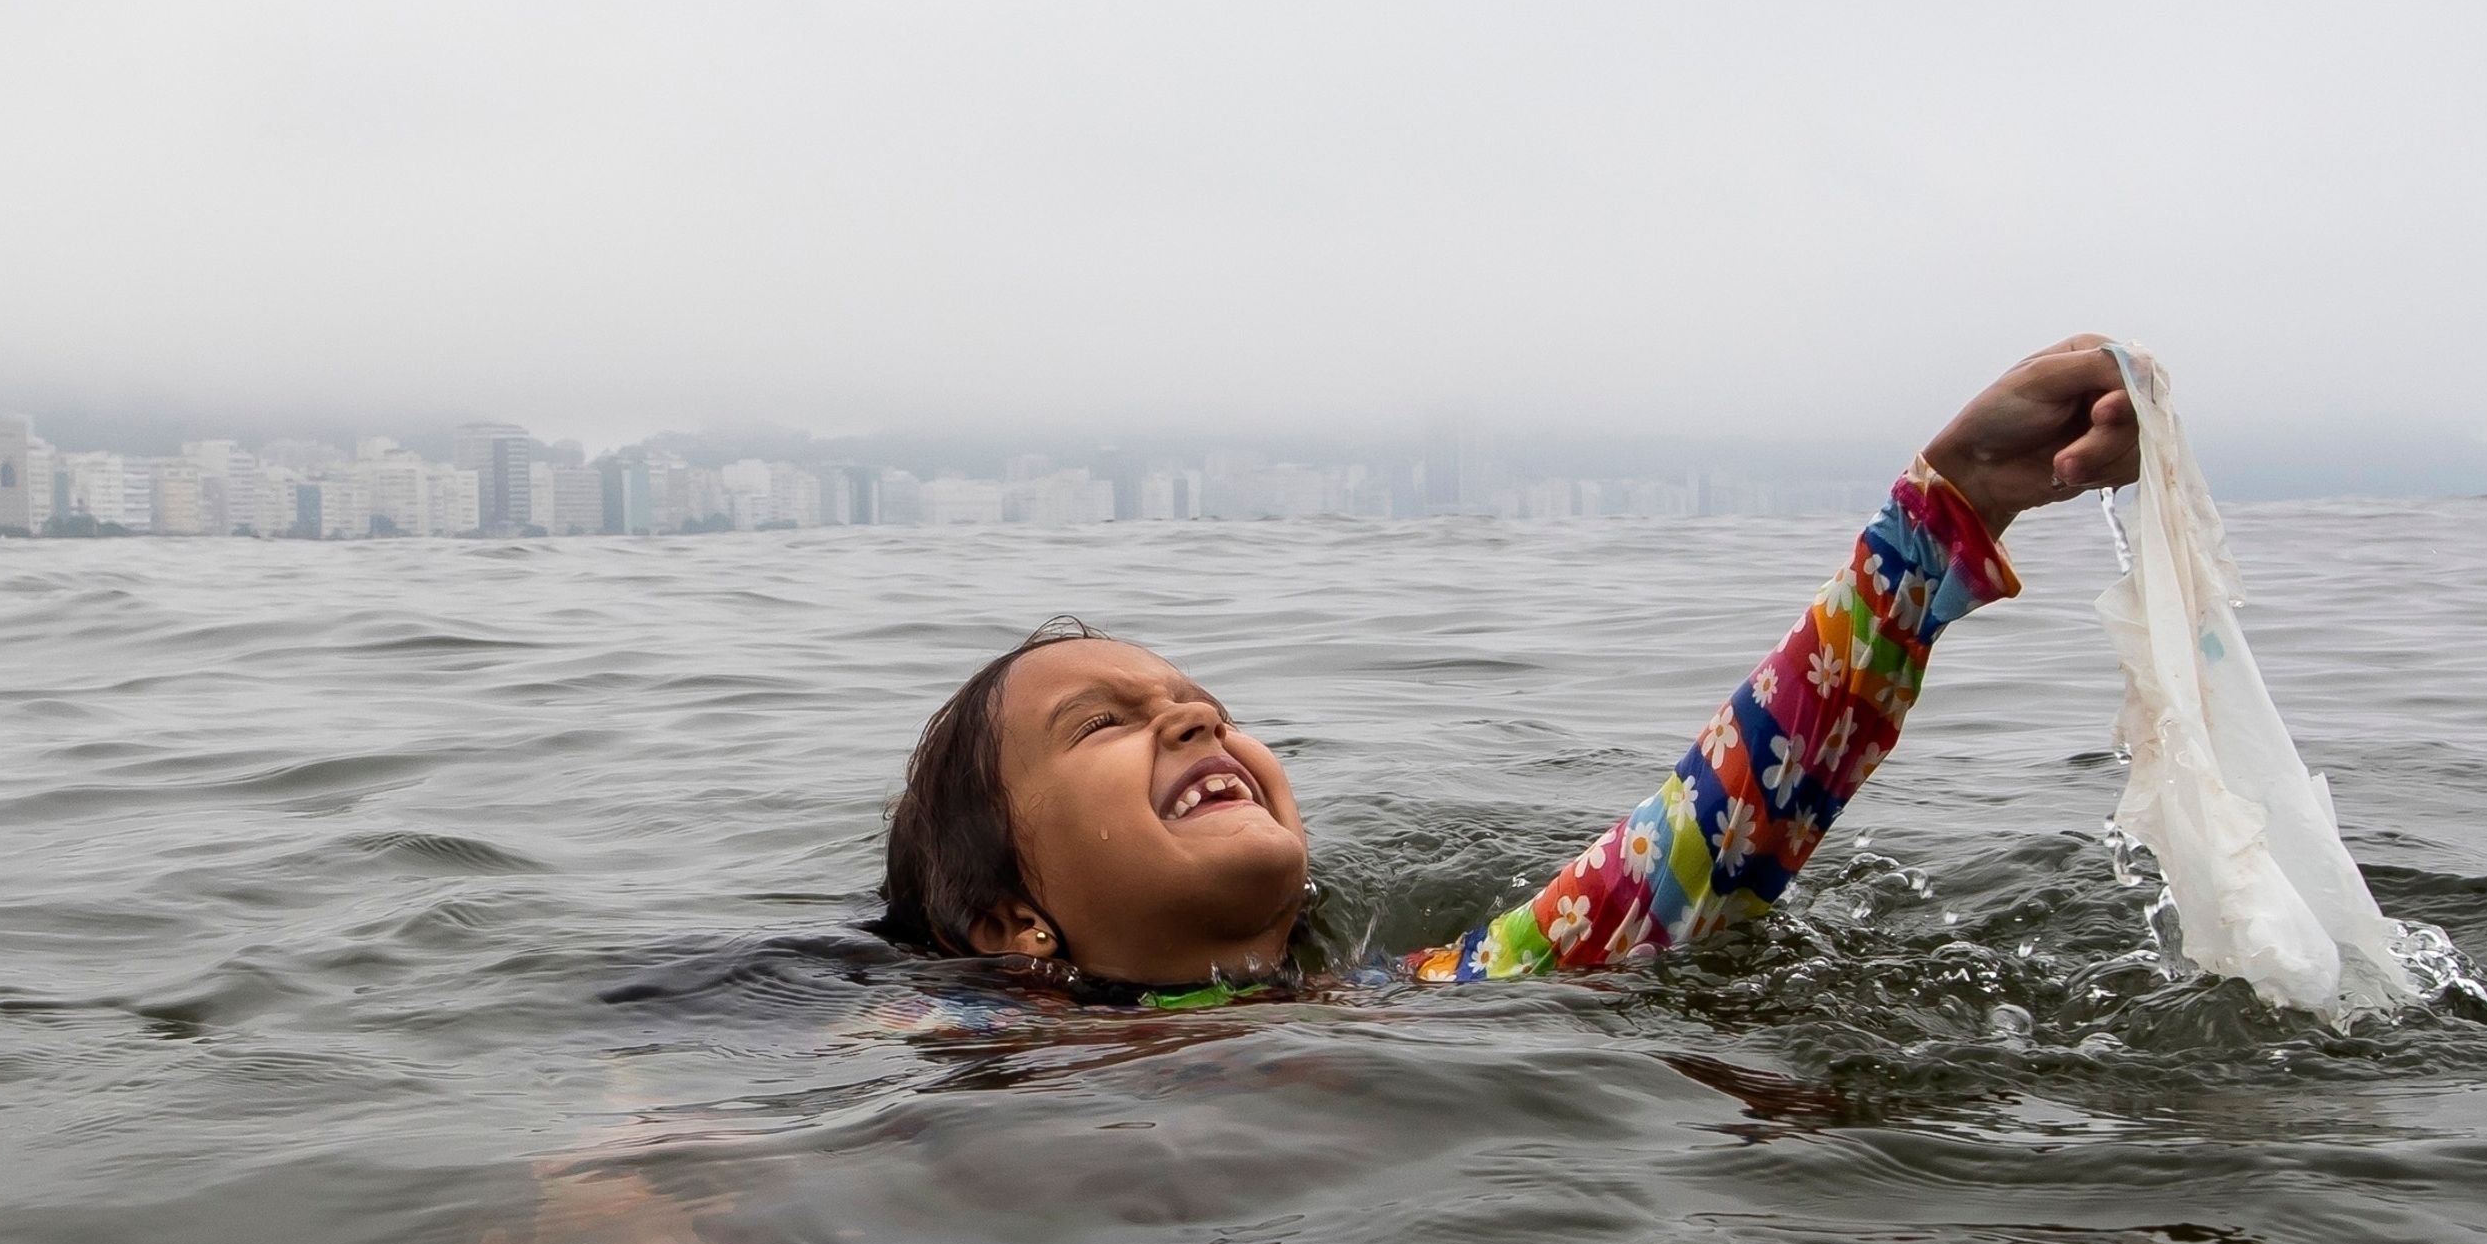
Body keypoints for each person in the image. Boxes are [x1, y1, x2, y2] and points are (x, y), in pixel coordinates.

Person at [876, 337, 2144, 1002]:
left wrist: (1943, 515)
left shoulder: (1417, 997)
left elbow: (1703, 837)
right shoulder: (953, 1060)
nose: (1197, 716)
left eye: (1202, 703)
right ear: (1009, 921)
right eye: (1104, 722)